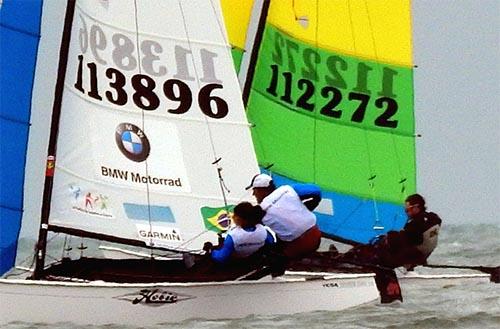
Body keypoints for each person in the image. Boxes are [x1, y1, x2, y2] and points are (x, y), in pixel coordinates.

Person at [246, 173, 322, 259]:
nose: (253, 194)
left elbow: (248, 227)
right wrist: (309, 206)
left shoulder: (260, 209)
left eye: (254, 191)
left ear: (260, 190)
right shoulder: (287, 190)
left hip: (298, 247)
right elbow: (316, 190)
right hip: (316, 235)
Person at [204, 202, 275, 264]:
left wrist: (211, 251)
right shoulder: (263, 231)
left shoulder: (234, 236)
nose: (232, 217)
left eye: (234, 215)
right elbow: (271, 244)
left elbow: (221, 257)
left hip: (236, 263)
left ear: (239, 219)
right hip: (254, 261)